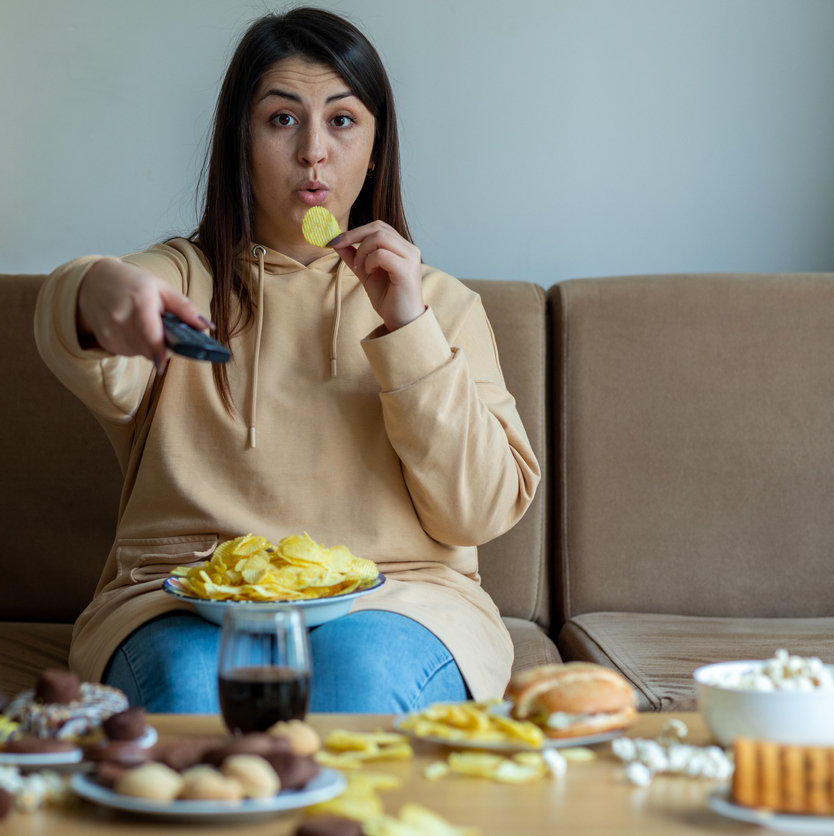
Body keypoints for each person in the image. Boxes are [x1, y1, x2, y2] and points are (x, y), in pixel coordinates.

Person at [34, 7, 539, 713]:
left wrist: (410, 328)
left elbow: (478, 511)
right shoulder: (183, 280)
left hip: (405, 594)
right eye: (280, 120)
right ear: (240, 141)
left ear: (375, 146)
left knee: (356, 687)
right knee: (186, 693)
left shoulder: (442, 304)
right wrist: (92, 288)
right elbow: (85, 326)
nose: (312, 153)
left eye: (341, 120)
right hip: (183, 595)